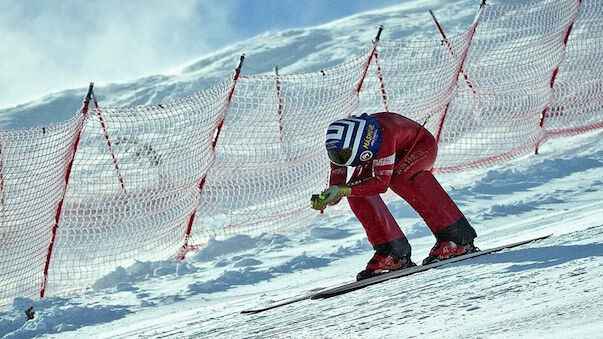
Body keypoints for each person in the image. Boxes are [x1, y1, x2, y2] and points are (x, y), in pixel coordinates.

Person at [310, 112, 478, 281]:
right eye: (337, 157)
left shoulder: (383, 135)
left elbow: (381, 183)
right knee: (356, 190)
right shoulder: (341, 147)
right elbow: (339, 187)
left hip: (418, 147)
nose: (341, 159)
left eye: (344, 156)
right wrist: (327, 199)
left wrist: (343, 189)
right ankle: (392, 251)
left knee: (401, 177)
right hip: (383, 150)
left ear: (360, 145)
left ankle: (457, 238)